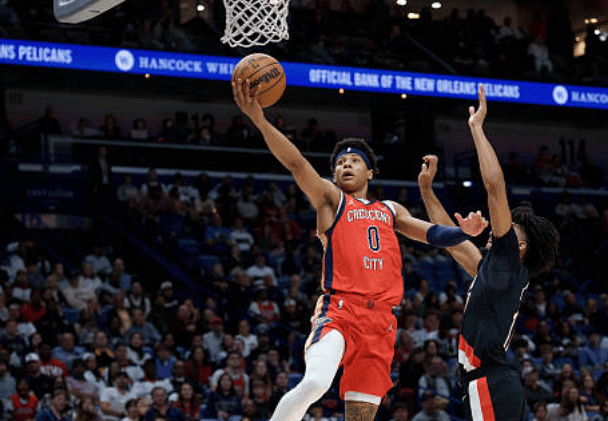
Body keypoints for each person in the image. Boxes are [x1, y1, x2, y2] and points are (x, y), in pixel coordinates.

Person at [232, 79, 487, 421]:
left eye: (354, 160)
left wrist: (462, 232)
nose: (346, 165)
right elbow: (296, 163)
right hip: (340, 310)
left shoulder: (390, 210)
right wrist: (259, 120)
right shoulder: (331, 199)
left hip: (381, 322)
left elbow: (431, 234)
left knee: (361, 416)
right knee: (315, 383)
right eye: (340, 162)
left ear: (370, 171)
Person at [417, 85, 560, 421]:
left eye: (509, 231)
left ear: (520, 246)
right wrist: (426, 189)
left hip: (489, 382)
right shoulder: (494, 271)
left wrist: (476, 128)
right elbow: (449, 239)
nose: (498, 232)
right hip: (489, 383)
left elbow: (495, 188)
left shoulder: (509, 261)